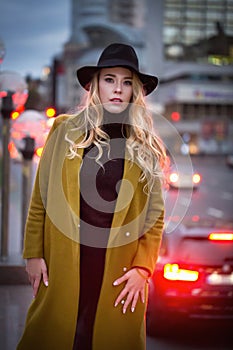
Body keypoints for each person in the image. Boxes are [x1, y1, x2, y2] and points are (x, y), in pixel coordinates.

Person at [17, 43, 167, 350]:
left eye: (127, 82)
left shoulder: (143, 143)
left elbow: (155, 216)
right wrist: (33, 253)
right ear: (95, 85)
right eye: (109, 79)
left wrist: (143, 269)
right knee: (58, 336)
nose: (117, 89)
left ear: (134, 92)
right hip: (65, 259)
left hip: (118, 269)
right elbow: (40, 197)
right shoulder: (64, 130)